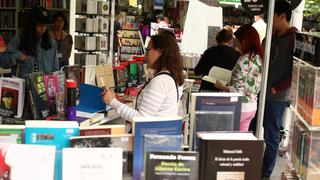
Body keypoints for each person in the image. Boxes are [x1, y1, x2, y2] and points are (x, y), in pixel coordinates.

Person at [101, 34, 184, 121]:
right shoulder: (168, 77)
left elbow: (141, 119)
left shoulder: (160, 81)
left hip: (152, 133)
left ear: (160, 52)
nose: (145, 55)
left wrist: (113, 102)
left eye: (148, 50)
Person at [261, 1, 297, 179]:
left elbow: (296, 71)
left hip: (277, 97)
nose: (269, 21)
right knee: (255, 132)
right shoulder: (270, 37)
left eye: (272, 17)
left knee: (271, 136)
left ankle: (265, 175)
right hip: (261, 94)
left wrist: (278, 87)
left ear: (282, 16)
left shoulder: (294, 39)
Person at [214, 24, 263, 132]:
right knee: (240, 142)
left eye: (237, 41)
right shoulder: (259, 57)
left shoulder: (243, 60)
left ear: (244, 41)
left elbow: (237, 90)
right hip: (252, 106)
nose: (236, 45)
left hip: (239, 107)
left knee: (230, 142)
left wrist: (221, 87)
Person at [7, 6, 59, 78]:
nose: (42, 29)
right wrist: (17, 55)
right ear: (31, 25)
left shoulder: (52, 43)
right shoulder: (19, 40)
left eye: (45, 26)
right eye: (39, 25)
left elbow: (55, 69)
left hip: (45, 85)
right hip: (24, 85)